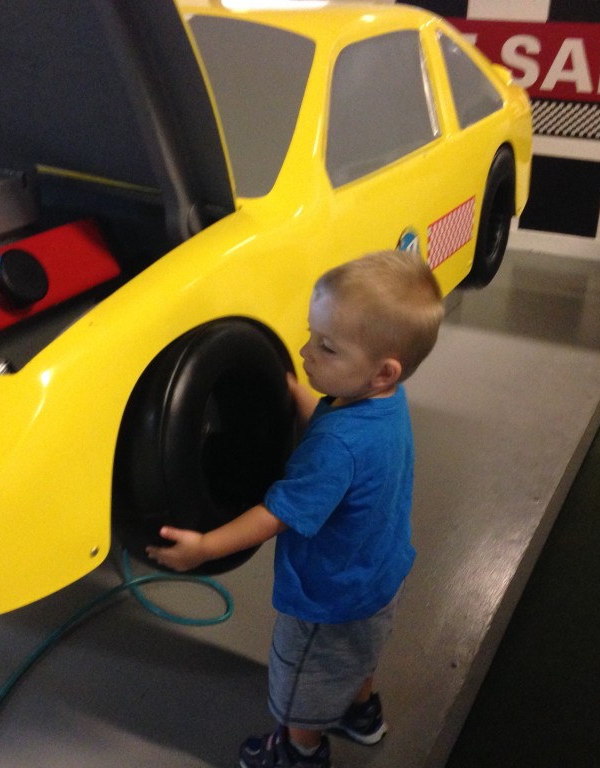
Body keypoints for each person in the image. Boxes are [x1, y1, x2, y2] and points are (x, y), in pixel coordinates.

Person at [146, 249, 445, 768]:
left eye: (326, 347)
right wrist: (294, 393)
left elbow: (277, 513)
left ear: (382, 371)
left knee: (302, 684)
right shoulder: (382, 402)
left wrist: (205, 547)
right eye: (311, 335)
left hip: (327, 596)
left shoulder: (336, 449)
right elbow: (332, 424)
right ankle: (361, 715)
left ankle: (299, 751)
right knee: (359, 654)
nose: (306, 352)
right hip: (377, 574)